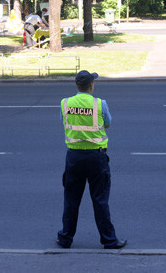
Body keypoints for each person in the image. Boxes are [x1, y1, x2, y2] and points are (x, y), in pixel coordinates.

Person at [57, 70, 127, 250]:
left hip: (73, 157)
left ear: (76, 86)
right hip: (96, 157)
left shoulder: (65, 103)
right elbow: (108, 123)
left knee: (71, 199)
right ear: (91, 85)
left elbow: (64, 122)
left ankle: (65, 239)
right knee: (100, 200)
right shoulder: (99, 104)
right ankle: (109, 240)